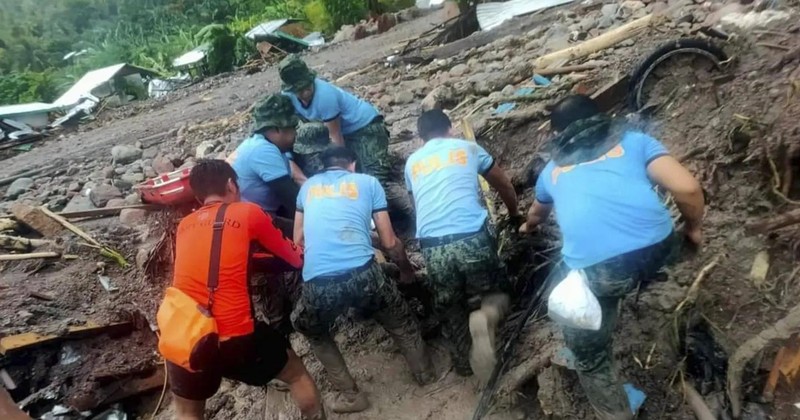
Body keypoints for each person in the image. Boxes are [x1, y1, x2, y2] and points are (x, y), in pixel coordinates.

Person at [522, 94, 704, 420]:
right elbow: (688, 189)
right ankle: (668, 308)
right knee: (653, 269)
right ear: (605, 118)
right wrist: (693, 229)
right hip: (659, 249)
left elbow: (537, 214)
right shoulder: (635, 142)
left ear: (556, 136)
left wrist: (527, 226)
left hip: (599, 271)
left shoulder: (552, 171)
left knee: (590, 355)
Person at [165, 159, 325, 420]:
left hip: (186, 336)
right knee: (296, 374)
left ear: (197, 195)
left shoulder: (183, 226)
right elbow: (295, 259)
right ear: (231, 184)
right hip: (235, 339)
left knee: (187, 413)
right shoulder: (248, 212)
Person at [291, 146, 434, 413]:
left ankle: (350, 394)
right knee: (400, 320)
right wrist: (405, 269)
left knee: (310, 327)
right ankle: (425, 375)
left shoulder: (307, 187)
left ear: (323, 167)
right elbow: (390, 242)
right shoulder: (368, 183)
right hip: (364, 274)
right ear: (352, 165)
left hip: (319, 282)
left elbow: (297, 241)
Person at [404, 109, 520, 381]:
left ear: (421, 138)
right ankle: (488, 313)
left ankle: (464, 362)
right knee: (496, 289)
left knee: (450, 305)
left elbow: (416, 206)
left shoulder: (412, 163)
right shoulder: (468, 148)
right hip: (472, 237)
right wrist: (514, 214)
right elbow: (503, 184)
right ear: (450, 128)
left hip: (433, 245)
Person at [279, 54, 414, 233]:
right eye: (298, 91)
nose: (303, 94)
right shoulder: (287, 96)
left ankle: (407, 221)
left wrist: (340, 173)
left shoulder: (325, 95)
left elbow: (336, 140)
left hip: (366, 128)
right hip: (344, 131)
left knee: (375, 180)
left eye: (306, 88)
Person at [228, 94, 303, 237]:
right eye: (292, 128)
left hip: (249, 215)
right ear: (276, 129)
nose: (295, 133)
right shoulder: (263, 151)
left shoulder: (261, 143)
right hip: (247, 223)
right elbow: (291, 199)